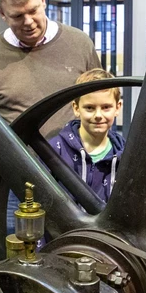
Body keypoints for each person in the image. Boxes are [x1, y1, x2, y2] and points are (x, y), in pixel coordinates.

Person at [0, 0, 101, 203]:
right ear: (1, 13)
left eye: (33, 10)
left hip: (75, 176)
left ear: (43, 0)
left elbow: (99, 102)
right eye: (17, 16)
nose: (28, 22)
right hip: (13, 182)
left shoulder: (79, 44)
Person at [49, 68, 126, 203]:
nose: (98, 115)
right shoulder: (54, 151)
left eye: (106, 107)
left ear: (118, 108)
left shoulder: (125, 154)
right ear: (76, 108)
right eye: (90, 108)